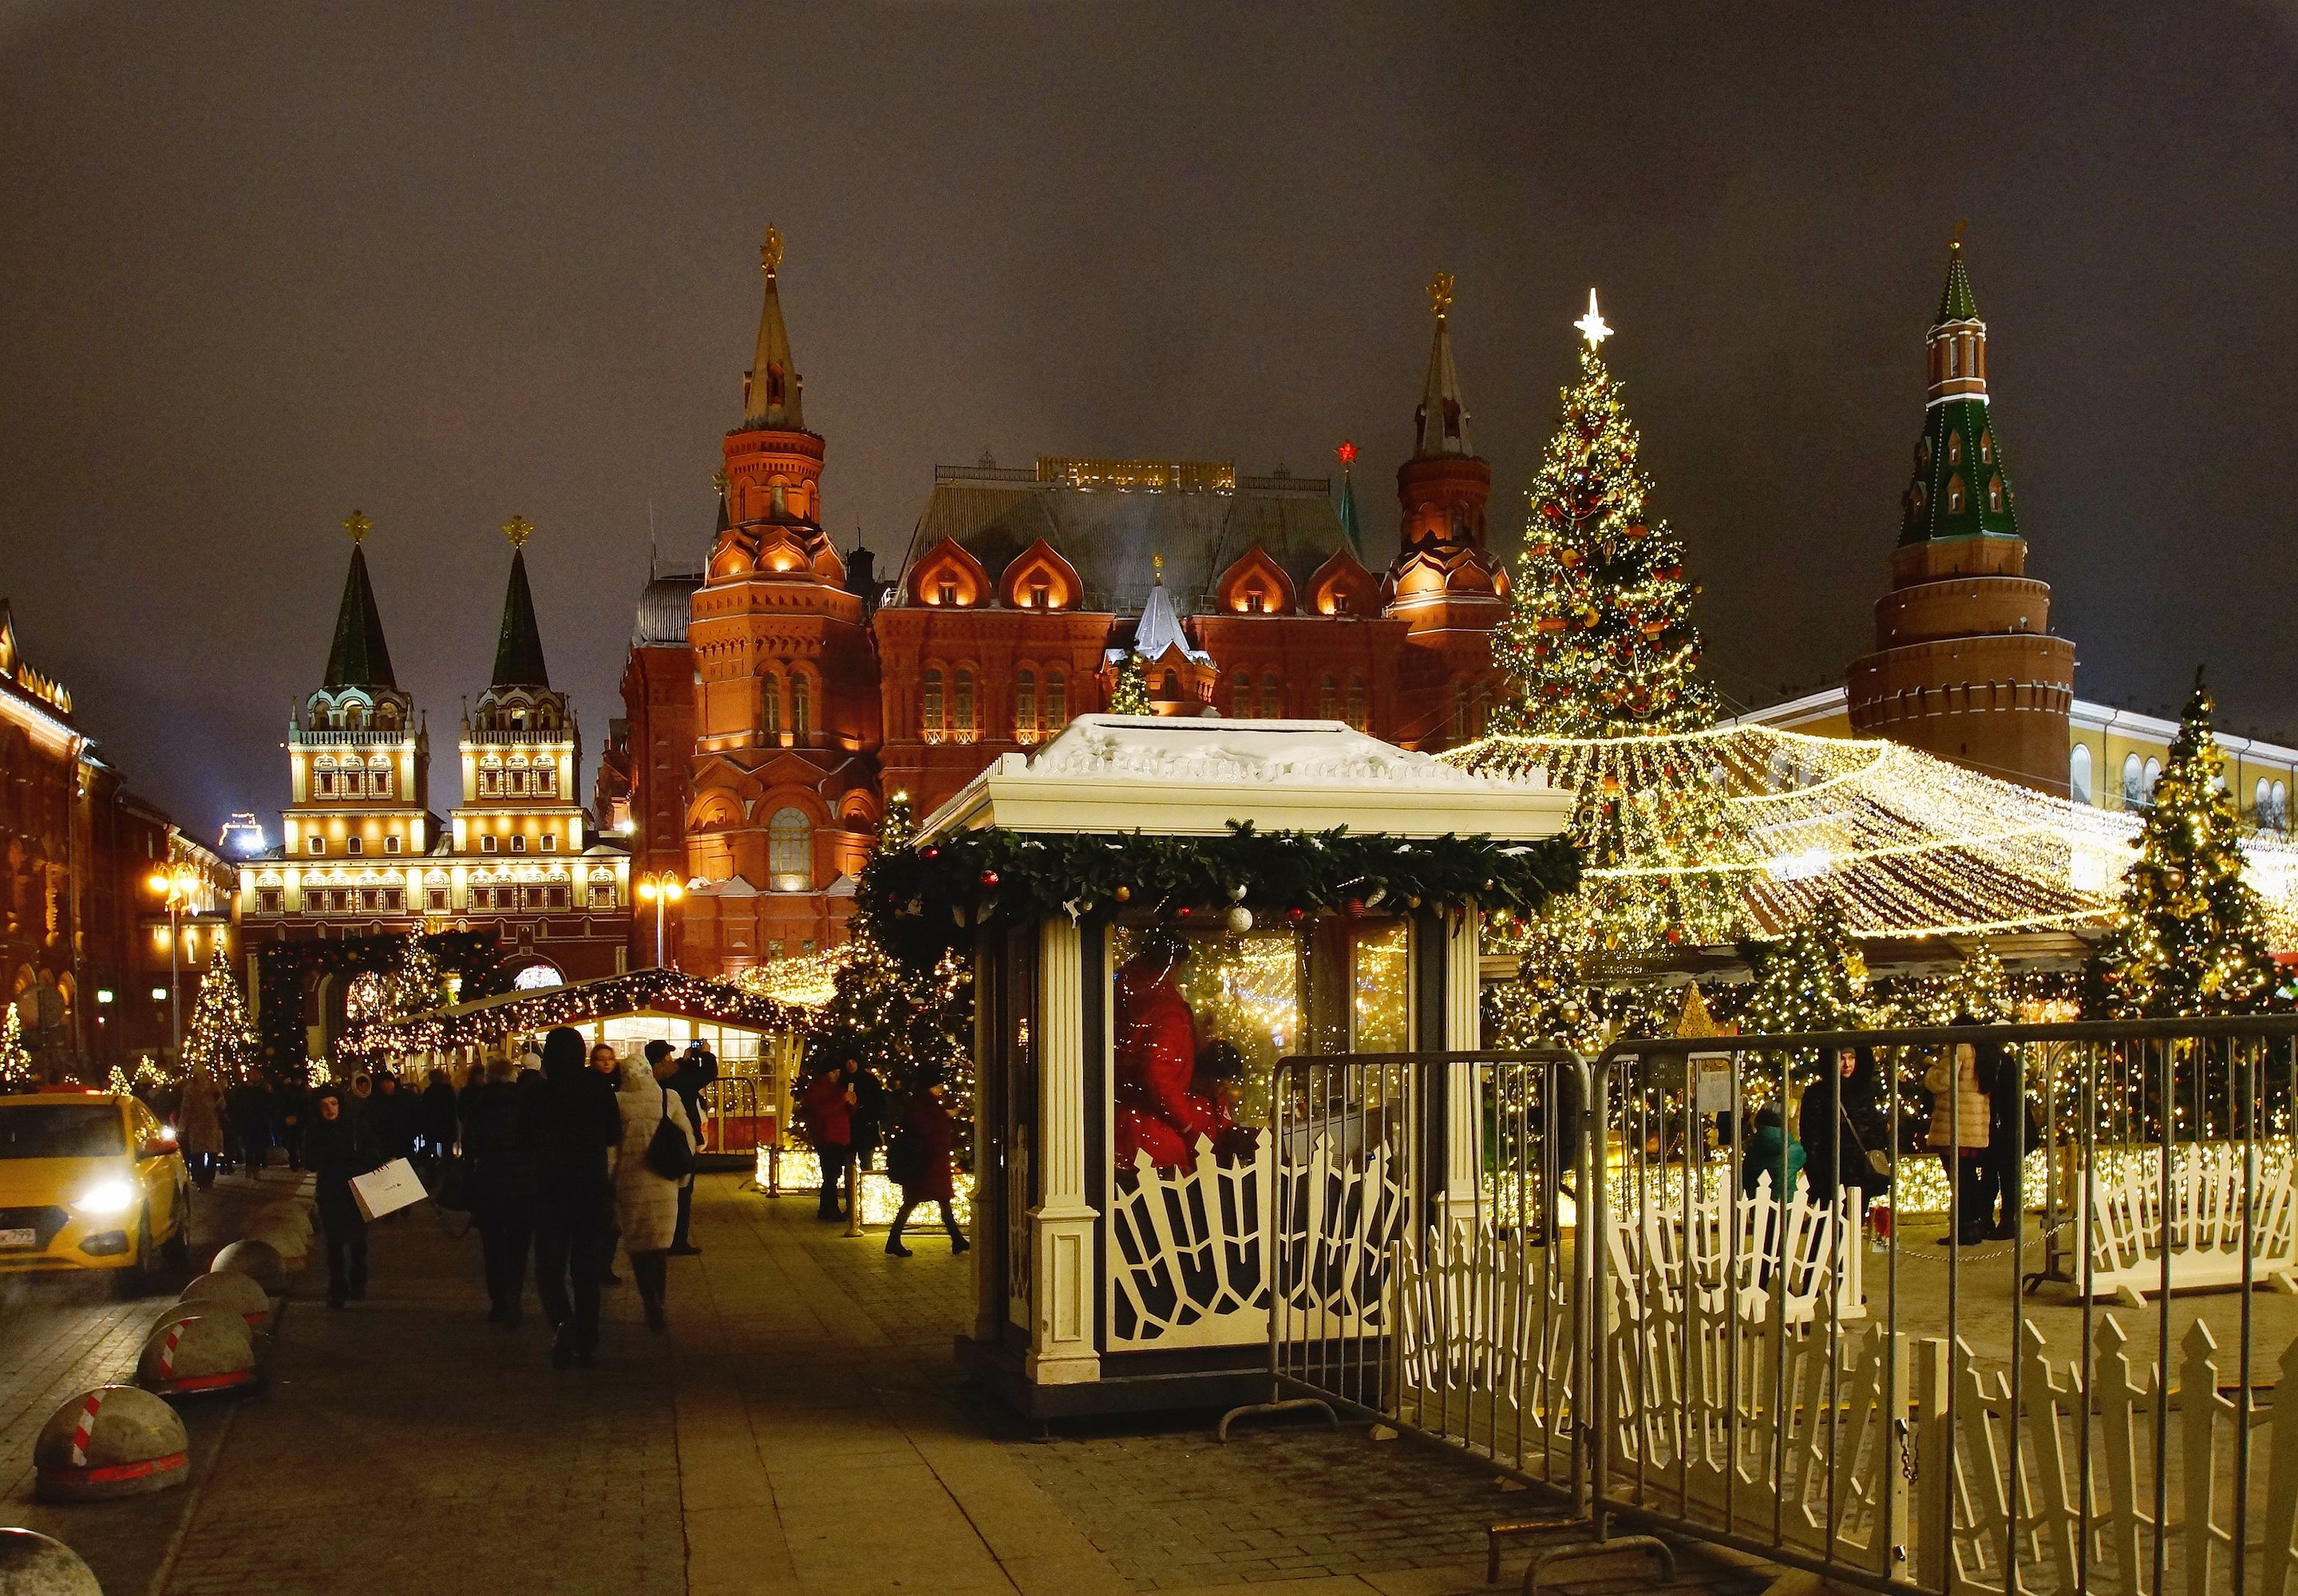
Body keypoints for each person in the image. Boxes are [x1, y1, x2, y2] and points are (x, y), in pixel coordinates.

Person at [531, 1028, 621, 1367]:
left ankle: (562, 1320)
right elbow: (613, 1133)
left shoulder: (539, 1093)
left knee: (549, 1267)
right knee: (586, 1270)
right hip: (589, 1187)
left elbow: (523, 1137)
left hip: (550, 1188)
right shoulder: (597, 1087)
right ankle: (587, 1341)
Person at [613, 1045, 695, 1333]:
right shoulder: (668, 1097)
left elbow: (611, 1149)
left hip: (630, 1181)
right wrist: (683, 1177)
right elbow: (687, 1137)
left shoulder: (618, 1102)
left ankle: (650, 1302)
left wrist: (608, 1181)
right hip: (664, 1179)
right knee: (660, 1245)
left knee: (639, 1247)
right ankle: (659, 1300)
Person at [461, 1054, 537, 1326]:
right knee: (518, 1245)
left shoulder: (477, 1105)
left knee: (493, 1246)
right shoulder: (526, 1103)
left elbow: (470, 1148)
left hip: (490, 1182)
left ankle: (498, 1301)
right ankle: (514, 1300)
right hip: (522, 1183)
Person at [302, 1083, 383, 1309]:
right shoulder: (314, 1130)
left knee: (358, 1241)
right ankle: (337, 1288)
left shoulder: (356, 1126)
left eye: (334, 1103)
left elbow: (374, 1151)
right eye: (324, 1105)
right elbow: (310, 1161)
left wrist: (360, 1165)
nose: (330, 1109)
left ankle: (358, 1282)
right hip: (331, 1190)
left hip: (357, 1189)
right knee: (335, 1242)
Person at [1925, 1023, 1994, 1246]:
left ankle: (1963, 1230)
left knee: (1959, 1180)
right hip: (1975, 1124)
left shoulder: (1958, 1047)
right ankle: (1974, 1226)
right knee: (1969, 1178)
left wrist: (1930, 1070)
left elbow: (1942, 1081)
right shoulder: (1982, 1048)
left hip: (1955, 1124)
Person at [885, 1077, 967, 1258]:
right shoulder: (924, 1104)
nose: (941, 1089)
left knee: (939, 1201)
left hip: (931, 1163)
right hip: (927, 1164)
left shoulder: (924, 1103)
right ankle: (893, 1240)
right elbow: (927, 1129)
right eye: (938, 1086)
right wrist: (945, 1117)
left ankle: (957, 1239)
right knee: (916, 1201)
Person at [659, 1040, 717, 1256]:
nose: (671, 1060)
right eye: (667, 1057)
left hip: (663, 1140)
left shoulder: (660, 1079)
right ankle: (677, 1240)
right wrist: (706, 1055)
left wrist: (685, 1061)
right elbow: (706, 1074)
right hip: (680, 1141)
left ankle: (665, 1238)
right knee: (683, 1192)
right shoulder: (675, 1080)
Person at [801, 1052, 857, 1221]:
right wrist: (842, 1100)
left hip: (839, 1136)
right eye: (834, 1072)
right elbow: (821, 1111)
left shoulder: (836, 1088)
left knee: (833, 1175)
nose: (837, 1075)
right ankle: (829, 1209)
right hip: (827, 1137)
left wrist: (852, 1103)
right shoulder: (818, 1088)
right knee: (831, 1175)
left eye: (838, 1072)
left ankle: (828, 1209)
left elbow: (845, 1109)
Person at [588, 1043, 627, 1283]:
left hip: (606, 1158)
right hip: (601, 1158)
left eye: (609, 1059)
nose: (605, 1063)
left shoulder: (618, 1085)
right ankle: (600, 1266)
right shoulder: (599, 1088)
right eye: (600, 1059)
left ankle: (600, 1265)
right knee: (607, 1217)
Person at [1739, 1101, 1806, 1200]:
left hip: (1757, 1206)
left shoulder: (1751, 1152)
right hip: (1785, 1206)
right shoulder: (1796, 1150)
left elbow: (1745, 1181)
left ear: (1758, 1123)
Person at [179, 1069, 226, 1190]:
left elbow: (223, 1105)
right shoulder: (190, 1090)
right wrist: (182, 1126)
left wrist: (218, 1099)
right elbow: (185, 1109)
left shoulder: (214, 1088)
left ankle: (209, 1179)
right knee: (197, 1154)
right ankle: (200, 1179)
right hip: (197, 1126)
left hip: (211, 1125)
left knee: (212, 1153)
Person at [420, 1067, 459, 1177]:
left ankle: (431, 1172)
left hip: (432, 1125)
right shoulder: (449, 1091)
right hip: (447, 1125)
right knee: (447, 1151)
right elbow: (453, 1108)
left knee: (430, 1148)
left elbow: (425, 1110)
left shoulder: (429, 1092)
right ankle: (449, 1174)